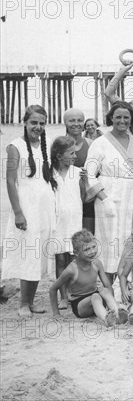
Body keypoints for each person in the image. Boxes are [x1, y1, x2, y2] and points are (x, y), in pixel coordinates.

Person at [85, 101, 133, 283]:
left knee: (130, 240)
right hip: (110, 196)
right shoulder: (100, 142)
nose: (122, 121)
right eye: (118, 117)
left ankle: (126, 285)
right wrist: (104, 199)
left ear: (131, 120)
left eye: (126, 117)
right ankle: (107, 286)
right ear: (111, 118)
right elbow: (89, 174)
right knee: (109, 242)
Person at [2, 105, 56, 318]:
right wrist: (17, 212)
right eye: (34, 122)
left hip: (44, 206)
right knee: (29, 253)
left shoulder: (46, 144)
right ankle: (23, 303)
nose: (38, 127)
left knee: (39, 253)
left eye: (42, 123)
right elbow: (10, 180)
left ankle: (31, 301)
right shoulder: (15, 146)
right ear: (25, 122)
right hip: (27, 205)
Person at [49, 229, 127, 326]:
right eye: (86, 249)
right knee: (95, 296)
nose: (92, 252)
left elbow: (108, 286)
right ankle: (107, 319)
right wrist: (56, 313)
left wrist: (109, 303)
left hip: (96, 300)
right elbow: (53, 289)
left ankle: (117, 313)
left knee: (104, 290)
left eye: (94, 247)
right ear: (76, 253)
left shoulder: (97, 263)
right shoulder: (71, 269)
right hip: (80, 306)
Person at [50, 136, 85, 310]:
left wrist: (84, 183)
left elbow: (84, 197)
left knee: (73, 258)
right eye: (71, 153)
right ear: (58, 156)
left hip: (73, 220)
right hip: (57, 222)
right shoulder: (49, 173)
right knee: (60, 259)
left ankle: (73, 292)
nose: (74, 156)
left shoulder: (78, 172)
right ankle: (63, 296)